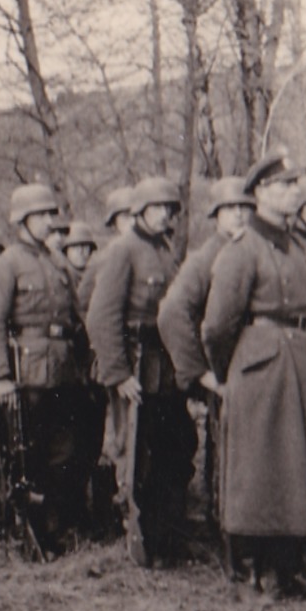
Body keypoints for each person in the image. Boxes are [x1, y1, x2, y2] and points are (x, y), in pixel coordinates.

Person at [200, 179, 306, 596]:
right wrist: (235, 371)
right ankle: (256, 570)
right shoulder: (242, 249)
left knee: (295, 468)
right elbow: (216, 327)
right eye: (281, 185)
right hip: (259, 364)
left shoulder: (298, 247)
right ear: (259, 193)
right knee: (261, 470)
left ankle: (290, 567)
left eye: (293, 184)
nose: (291, 191)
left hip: (300, 360)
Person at [0, 182, 88, 556]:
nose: (47, 222)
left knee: (64, 452)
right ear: (22, 221)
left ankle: (53, 525)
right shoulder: (8, 264)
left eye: (49, 215)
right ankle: (28, 532)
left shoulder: (56, 263)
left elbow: (75, 317)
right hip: (27, 374)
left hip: (62, 370)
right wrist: (0, 377)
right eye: (40, 216)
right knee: (28, 456)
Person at [86, 175, 195, 566]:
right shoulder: (123, 251)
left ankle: (172, 535)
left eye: (170, 208)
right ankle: (147, 539)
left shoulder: (166, 250)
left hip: (165, 363)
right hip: (136, 362)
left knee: (178, 448)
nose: (165, 214)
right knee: (140, 457)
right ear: (140, 211)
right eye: (158, 207)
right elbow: (101, 315)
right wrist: (117, 374)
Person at [158, 176, 258, 548]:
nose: (240, 216)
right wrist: (201, 373)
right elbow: (172, 313)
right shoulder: (205, 258)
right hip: (225, 368)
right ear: (216, 215)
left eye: (246, 208)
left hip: (257, 365)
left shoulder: (255, 250)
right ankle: (227, 532)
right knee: (226, 451)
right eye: (231, 209)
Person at [77, 185, 136, 317]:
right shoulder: (104, 258)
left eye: (135, 216)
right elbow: (82, 303)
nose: (132, 223)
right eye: (125, 217)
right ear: (114, 223)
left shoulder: (157, 254)